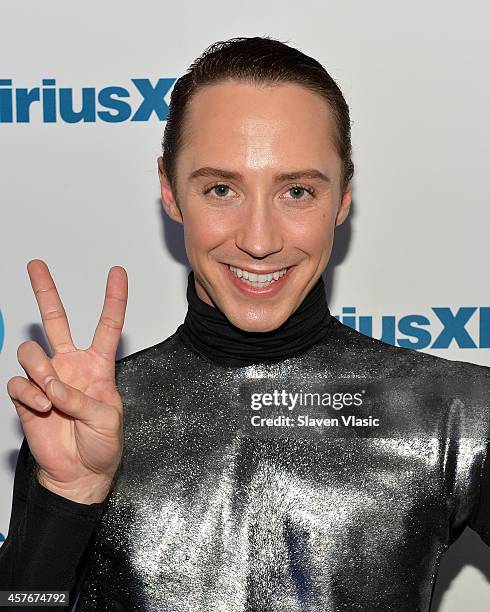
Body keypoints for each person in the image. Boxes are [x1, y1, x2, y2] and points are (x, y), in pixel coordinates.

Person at [1, 35, 489, 612]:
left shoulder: (457, 412)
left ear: (343, 200)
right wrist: (68, 497)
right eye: (222, 189)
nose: (259, 240)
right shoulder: (86, 417)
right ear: (170, 190)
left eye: (298, 191)